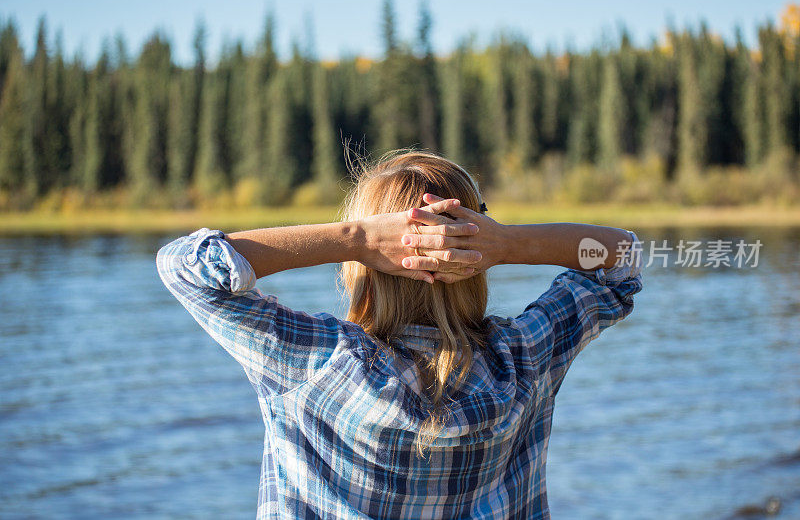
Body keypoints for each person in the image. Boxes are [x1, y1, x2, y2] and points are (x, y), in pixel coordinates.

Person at [156, 150, 643, 519]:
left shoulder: (313, 361)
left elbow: (186, 266)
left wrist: (357, 237)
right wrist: (507, 242)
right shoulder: (525, 359)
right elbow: (621, 259)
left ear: (365, 263)